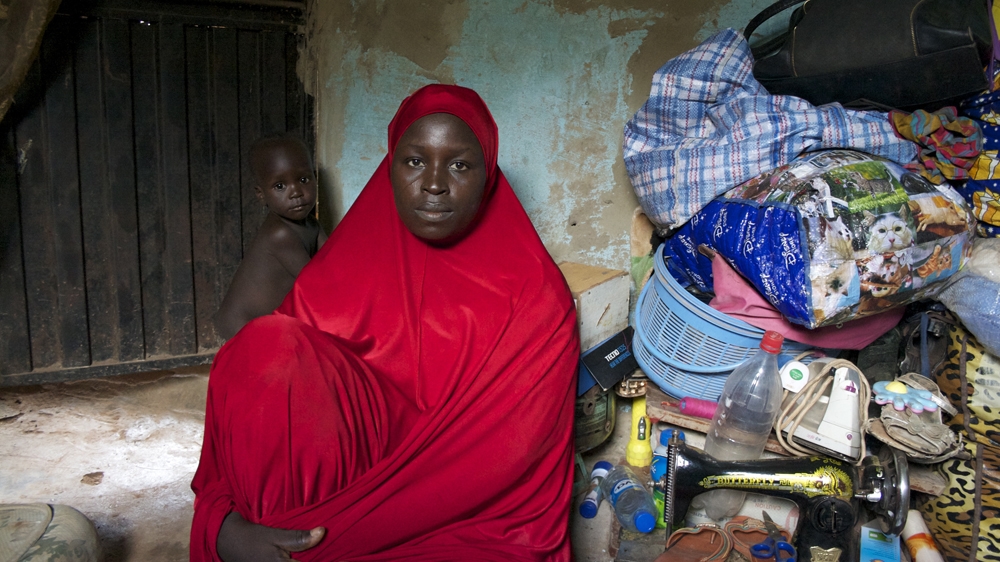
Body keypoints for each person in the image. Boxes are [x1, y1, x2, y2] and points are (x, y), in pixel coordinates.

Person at [191, 84, 580, 561]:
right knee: (265, 344)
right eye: (415, 161)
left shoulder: (537, 298)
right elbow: (263, 400)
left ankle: (296, 546)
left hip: (452, 505)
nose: (434, 183)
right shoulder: (351, 257)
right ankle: (279, 538)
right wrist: (225, 523)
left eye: (459, 164)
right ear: (391, 165)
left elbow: (508, 464)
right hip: (350, 463)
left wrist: (344, 533)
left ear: (489, 174)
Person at [213, 134, 327, 341]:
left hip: (269, 324)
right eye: (280, 186)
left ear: (315, 178)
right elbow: (318, 283)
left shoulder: (311, 224)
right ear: (261, 194)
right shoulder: (280, 234)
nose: (296, 193)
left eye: (303, 179)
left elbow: (334, 261)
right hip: (243, 328)